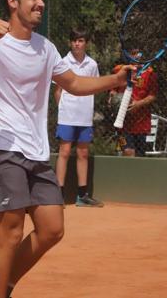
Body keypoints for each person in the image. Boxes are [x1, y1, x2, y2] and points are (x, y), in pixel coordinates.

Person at [0, 0, 131, 298]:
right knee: (10, 233)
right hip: (2, 149)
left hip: (36, 153)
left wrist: (114, 79)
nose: (41, 4)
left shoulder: (46, 48)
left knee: (52, 228)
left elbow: (75, 84)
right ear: (13, 2)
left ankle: (1, 288)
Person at [53, 28, 103, 207]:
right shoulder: (63, 62)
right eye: (74, 40)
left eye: (80, 40)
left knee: (83, 153)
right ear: (70, 43)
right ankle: (58, 196)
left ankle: (82, 196)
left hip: (85, 117)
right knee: (64, 152)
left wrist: (86, 109)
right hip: (67, 117)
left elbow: (94, 87)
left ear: (86, 43)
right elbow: (57, 91)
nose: (77, 43)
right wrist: (64, 110)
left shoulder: (92, 65)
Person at [109, 51, 158, 157]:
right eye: (133, 56)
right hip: (122, 124)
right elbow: (113, 90)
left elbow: (152, 96)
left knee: (140, 155)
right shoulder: (120, 71)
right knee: (127, 152)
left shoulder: (150, 74)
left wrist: (138, 104)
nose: (136, 59)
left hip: (141, 123)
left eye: (139, 56)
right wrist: (113, 99)